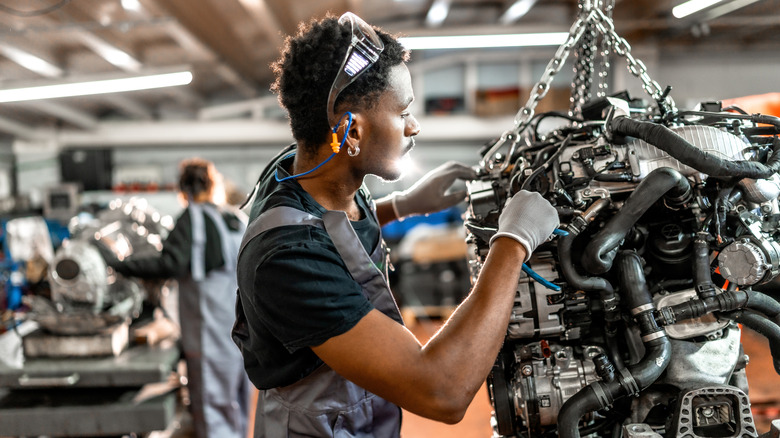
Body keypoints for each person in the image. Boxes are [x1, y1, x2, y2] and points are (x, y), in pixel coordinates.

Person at [232, 12, 558, 437]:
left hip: (354, 418)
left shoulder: (311, 172)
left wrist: (402, 206)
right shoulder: (287, 260)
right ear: (350, 132)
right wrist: (513, 243)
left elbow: (328, 232)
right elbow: (442, 390)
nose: (414, 125)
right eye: (403, 111)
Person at [109, 158, 251, 438]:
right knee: (237, 400)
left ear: (183, 188)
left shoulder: (192, 219)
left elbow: (169, 263)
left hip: (209, 331)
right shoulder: (232, 218)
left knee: (212, 406)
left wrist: (119, 264)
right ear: (212, 185)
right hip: (241, 330)